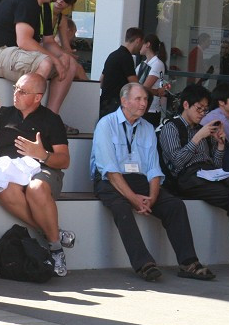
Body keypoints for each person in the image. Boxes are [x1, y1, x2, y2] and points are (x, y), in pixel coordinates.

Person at [91, 83, 213, 282]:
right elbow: (111, 172)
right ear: (124, 101)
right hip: (109, 180)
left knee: (174, 205)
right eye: (138, 99)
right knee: (121, 207)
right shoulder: (106, 124)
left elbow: (154, 169)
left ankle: (188, 262)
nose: (143, 104)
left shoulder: (147, 127)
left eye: (146, 99)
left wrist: (153, 197)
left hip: (139, 180)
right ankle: (144, 263)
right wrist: (135, 200)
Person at [0, 73, 75, 276]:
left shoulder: (51, 120)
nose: (16, 94)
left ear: (37, 97)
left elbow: (64, 160)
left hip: (43, 171)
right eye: (15, 88)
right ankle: (54, 235)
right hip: (12, 172)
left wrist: (41, 154)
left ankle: (55, 249)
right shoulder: (3, 115)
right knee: (4, 189)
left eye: (22, 91)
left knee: (36, 188)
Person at [159, 85, 229, 276]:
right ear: (185, 105)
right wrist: (198, 138)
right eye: (199, 108)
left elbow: (214, 164)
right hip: (187, 178)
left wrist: (221, 145)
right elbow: (177, 162)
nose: (202, 114)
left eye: (205, 109)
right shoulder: (171, 128)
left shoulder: (204, 130)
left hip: (208, 174)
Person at [99, 27, 144, 118]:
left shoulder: (113, 55)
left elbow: (101, 82)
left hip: (104, 103)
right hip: (116, 105)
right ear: (138, 40)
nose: (141, 48)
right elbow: (135, 84)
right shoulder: (126, 57)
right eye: (141, 44)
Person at [137, 34, 170, 127]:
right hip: (141, 107)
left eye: (142, 44)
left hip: (150, 109)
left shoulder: (157, 63)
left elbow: (144, 88)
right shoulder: (143, 64)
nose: (140, 46)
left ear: (147, 44)